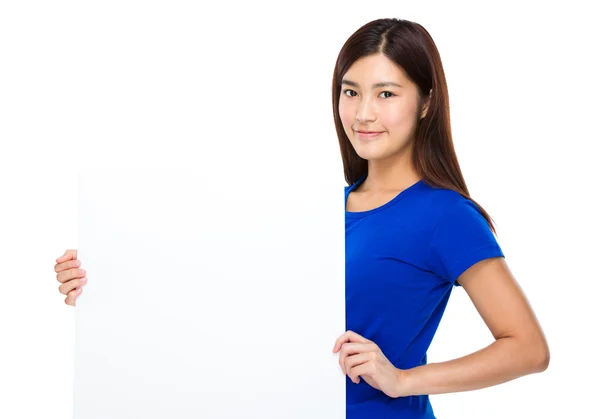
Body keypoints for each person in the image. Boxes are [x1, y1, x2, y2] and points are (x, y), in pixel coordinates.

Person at [54, 17, 549, 418]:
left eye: (387, 93)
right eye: (350, 91)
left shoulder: (445, 215)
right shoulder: (312, 213)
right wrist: (109, 293)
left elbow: (528, 348)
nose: (362, 114)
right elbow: (230, 311)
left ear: (426, 104)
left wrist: (403, 381)